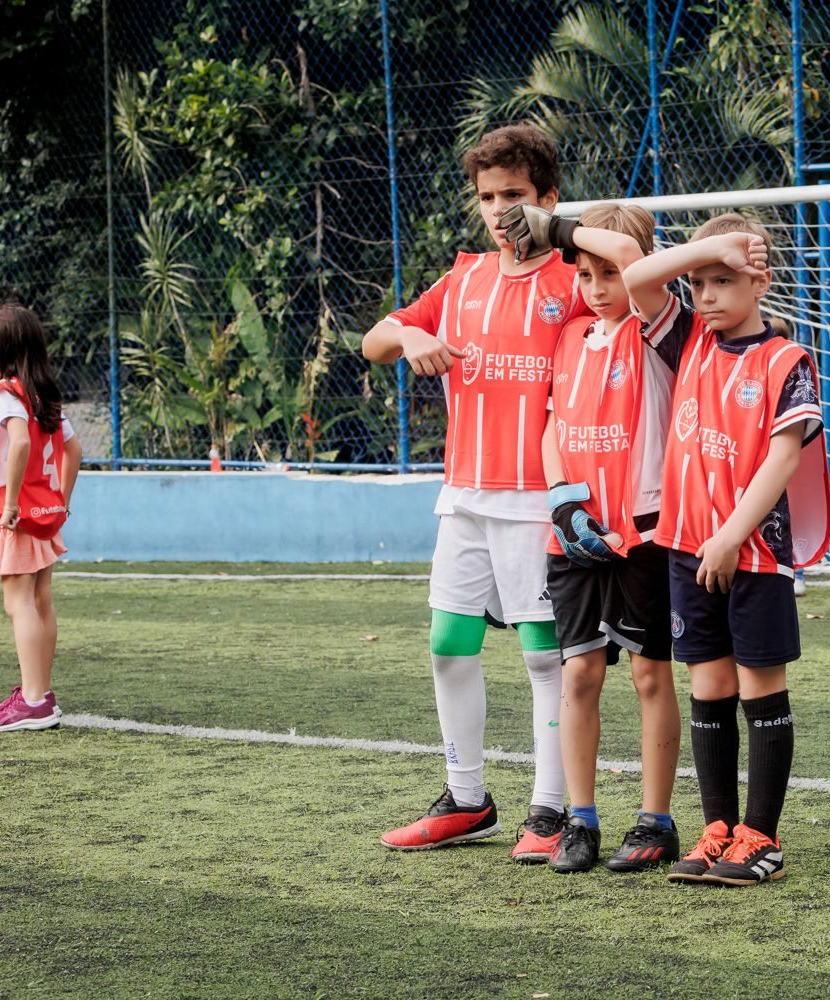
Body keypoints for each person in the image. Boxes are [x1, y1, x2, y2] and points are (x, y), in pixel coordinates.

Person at [360, 123, 589, 861]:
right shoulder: (461, 279)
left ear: (548, 199)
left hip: (537, 499)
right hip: (463, 497)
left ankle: (550, 811)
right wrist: (407, 335)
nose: (498, 210)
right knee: (447, 647)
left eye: (514, 195)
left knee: (542, 657)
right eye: (487, 196)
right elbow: (372, 342)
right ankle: (467, 799)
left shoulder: (574, 281)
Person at [623, 213, 830, 886]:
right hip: (687, 551)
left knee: (759, 687)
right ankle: (718, 830)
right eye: (699, 282)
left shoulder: (785, 362)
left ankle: (762, 838)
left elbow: (781, 459)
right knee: (708, 687)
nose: (706, 295)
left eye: (723, 280)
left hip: (753, 556)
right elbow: (633, 277)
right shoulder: (687, 341)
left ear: (760, 281)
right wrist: (706, 248)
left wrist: (731, 536)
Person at [499, 200, 682, 874]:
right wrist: (561, 503)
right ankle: (580, 820)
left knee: (647, 675)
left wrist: (559, 227)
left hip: (644, 532)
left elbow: (635, 264)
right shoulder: (572, 339)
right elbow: (552, 425)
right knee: (578, 672)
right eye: (585, 274)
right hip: (576, 537)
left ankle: (655, 822)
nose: (599, 287)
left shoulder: (657, 330)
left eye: (610, 273)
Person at [0, 304, 82, 733]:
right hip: (46, 512)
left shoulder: (7, 392)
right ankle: (39, 692)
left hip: (19, 516)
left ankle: (34, 701)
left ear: (2, 348)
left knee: (17, 603)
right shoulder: (43, 392)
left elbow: (18, 443)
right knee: (40, 601)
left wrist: (13, 504)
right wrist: (62, 500)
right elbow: (73, 450)